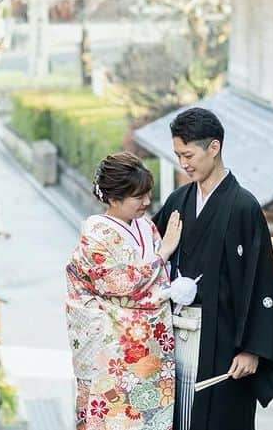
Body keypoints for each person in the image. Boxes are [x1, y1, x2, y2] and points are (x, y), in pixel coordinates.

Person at [153, 108, 273, 430]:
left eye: (188, 154)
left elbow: (262, 282)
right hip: (176, 332)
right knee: (178, 416)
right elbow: (151, 259)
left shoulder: (243, 206)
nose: (183, 164)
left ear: (214, 147)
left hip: (225, 340)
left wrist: (253, 349)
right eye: (177, 155)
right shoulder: (177, 201)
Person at [66, 152, 197, 430]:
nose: (147, 203)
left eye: (148, 194)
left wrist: (160, 281)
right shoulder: (96, 234)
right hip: (113, 353)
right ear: (114, 198)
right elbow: (118, 285)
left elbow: (157, 282)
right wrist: (161, 256)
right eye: (139, 197)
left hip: (151, 351)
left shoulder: (146, 227)